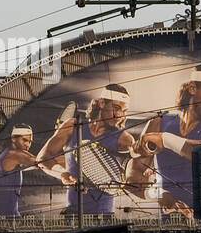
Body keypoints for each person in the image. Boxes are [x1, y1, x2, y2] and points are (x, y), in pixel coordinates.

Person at [129, 66, 201, 217]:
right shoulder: (157, 124)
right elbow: (133, 174)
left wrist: (166, 139)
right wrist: (158, 194)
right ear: (192, 88)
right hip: (168, 227)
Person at [39, 84, 138, 215]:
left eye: (124, 111)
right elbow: (42, 159)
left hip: (104, 215)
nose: (120, 115)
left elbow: (139, 159)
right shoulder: (71, 126)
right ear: (102, 103)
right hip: (72, 213)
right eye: (116, 108)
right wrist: (63, 173)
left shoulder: (125, 139)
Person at [0, 126, 41, 217]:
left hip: (5, 215)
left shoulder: (7, 155)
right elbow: (42, 162)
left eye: (30, 142)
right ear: (14, 139)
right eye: (25, 140)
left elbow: (35, 165)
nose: (28, 144)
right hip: (2, 218)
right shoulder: (14, 154)